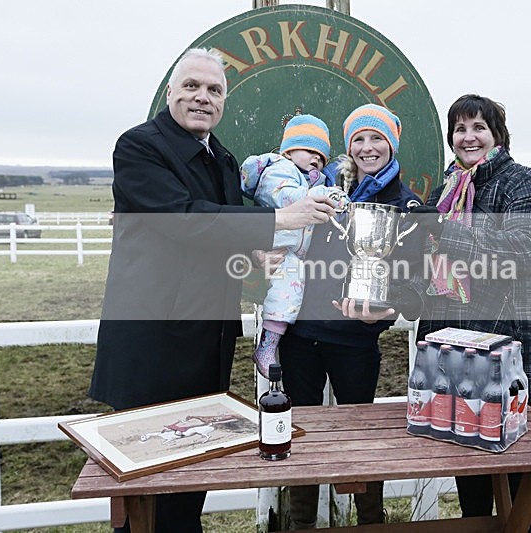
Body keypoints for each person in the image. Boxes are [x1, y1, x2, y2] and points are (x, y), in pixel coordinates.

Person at [89, 48, 335, 533]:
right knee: (145, 495)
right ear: (171, 92)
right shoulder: (138, 147)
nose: (203, 97)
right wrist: (280, 218)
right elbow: (181, 220)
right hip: (152, 346)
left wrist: (252, 258)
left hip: (208, 345)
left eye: (214, 90)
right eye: (192, 86)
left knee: (189, 490)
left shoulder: (220, 158)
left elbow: (215, 242)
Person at [412, 94, 531, 533]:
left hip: (513, 346)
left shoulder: (523, 183)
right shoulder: (448, 188)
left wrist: (445, 232)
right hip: (456, 350)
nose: (469, 137)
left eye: (479, 127)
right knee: (468, 465)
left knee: (519, 474)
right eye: (460, 129)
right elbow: (432, 267)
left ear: (497, 134)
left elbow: (524, 251)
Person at [278, 104, 423, 529]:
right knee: (298, 433)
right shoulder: (322, 188)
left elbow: (411, 277)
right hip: (300, 334)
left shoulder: (404, 203)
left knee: (363, 440)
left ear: (391, 144)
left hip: (355, 341)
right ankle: (299, 521)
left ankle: (369, 521)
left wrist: (382, 308)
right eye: (358, 139)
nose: (367, 147)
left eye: (376, 138)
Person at [240, 114, 349, 377]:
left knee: (292, 294)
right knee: (284, 295)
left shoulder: (314, 181)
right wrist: (323, 196)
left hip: (297, 252)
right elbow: (285, 197)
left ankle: (271, 343)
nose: (316, 159)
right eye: (310, 150)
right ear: (289, 151)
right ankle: (267, 346)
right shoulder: (279, 170)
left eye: (321, 157)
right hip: (279, 245)